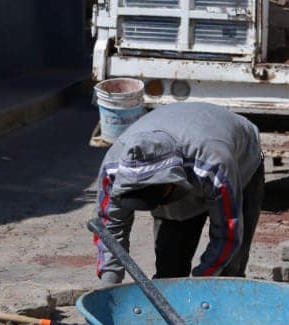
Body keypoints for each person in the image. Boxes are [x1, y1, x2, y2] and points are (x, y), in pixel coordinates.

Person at [95, 102, 264, 284]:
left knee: (228, 272)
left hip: (240, 159)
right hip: (190, 162)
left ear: (171, 185)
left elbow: (228, 233)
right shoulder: (113, 169)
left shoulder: (215, 163)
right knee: (170, 274)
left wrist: (200, 284)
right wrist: (109, 284)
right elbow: (110, 229)